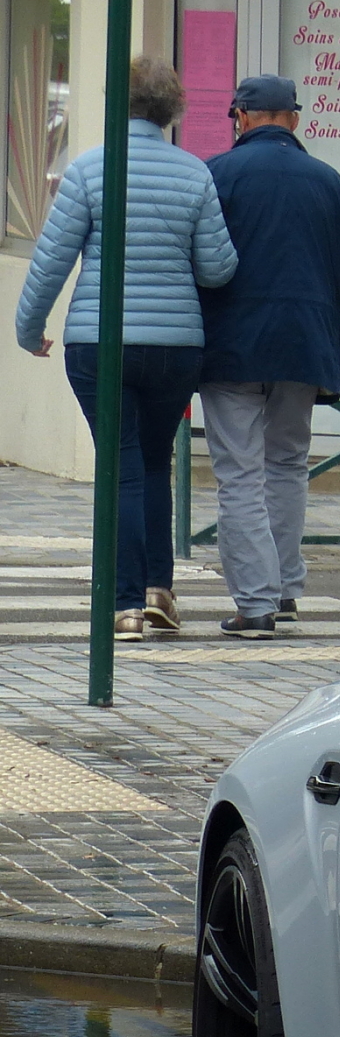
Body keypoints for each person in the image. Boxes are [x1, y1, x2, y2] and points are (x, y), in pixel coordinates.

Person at [12, 58, 236, 640]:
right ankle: (160, 589)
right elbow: (216, 269)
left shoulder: (90, 170)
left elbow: (52, 260)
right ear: (171, 111)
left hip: (100, 341)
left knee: (121, 466)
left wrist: (27, 326)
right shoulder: (196, 175)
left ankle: (124, 603)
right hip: (175, 347)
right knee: (154, 462)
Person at [198, 76, 340, 641]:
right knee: (288, 463)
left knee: (239, 471)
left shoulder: (218, 174)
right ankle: (287, 588)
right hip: (305, 342)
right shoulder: (329, 180)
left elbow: (202, 260)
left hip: (232, 344)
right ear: (294, 119)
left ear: (239, 116)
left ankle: (256, 604)